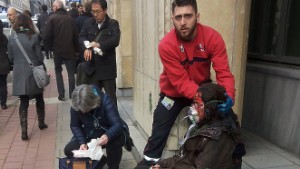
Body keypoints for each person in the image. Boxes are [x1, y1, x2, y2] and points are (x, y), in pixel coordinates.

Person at [135, 0, 235, 168]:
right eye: (178, 17)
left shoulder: (212, 38)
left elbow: (223, 72)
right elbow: (181, 82)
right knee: (159, 130)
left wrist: (228, 96)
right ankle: (148, 163)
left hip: (202, 89)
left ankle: (231, 160)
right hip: (173, 94)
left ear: (197, 16)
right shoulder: (166, 45)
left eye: (188, 16)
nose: (183, 22)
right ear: (172, 19)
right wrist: (205, 100)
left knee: (228, 122)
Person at [143, 83, 243, 169]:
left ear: (210, 108)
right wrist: (162, 164)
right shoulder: (199, 127)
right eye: (193, 104)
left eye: (198, 105)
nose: (192, 108)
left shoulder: (218, 137)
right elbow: (186, 158)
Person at [64, 84, 131, 169]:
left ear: (92, 103)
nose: (83, 112)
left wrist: (107, 136)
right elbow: (75, 125)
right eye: (80, 110)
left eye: (85, 109)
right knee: (69, 149)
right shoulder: (76, 104)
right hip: (91, 132)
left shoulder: (105, 100)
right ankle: (100, 160)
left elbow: (117, 124)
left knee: (115, 142)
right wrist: (82, 142)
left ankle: (113, 166)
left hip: (110, 130)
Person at [7, 14, 48, 140]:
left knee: (23, 101)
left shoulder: (12, 37)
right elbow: (40, 57)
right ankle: (41, 123)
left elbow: (11, 57)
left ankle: (24, 130)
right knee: (39, 97)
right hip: (33, 71)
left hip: (19, 72)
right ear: (29, 23)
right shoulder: (34, 36)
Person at [79, 0, 120, 106]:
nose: (95, 14)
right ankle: (97, 121)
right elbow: (81, 37)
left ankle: (113, 120)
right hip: (92, 70)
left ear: (105, 10)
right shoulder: (88, 23)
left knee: (110, 98)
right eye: (93, 12)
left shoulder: (112, 24)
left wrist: (98, 44)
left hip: (107, 69)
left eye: (98, 11)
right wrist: (87, 47)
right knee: (94, 98)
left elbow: (115, 40)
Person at [42, 0, 79, 101]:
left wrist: (49, 48)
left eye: (53, 7)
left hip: (57, 50)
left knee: (58, 71)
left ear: (55, 7)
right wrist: (77, 50)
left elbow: (46, 35)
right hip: (70, 50)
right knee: (71, 73)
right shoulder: (70, 19)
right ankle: (72, 94)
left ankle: (61, 94)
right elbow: (76, 36)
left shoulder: (52, 18)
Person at [0, 20, 10, 110]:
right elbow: (8, 51)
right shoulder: (4, 38)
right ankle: (3, 103)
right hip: (3, 65)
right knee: (3, 84)